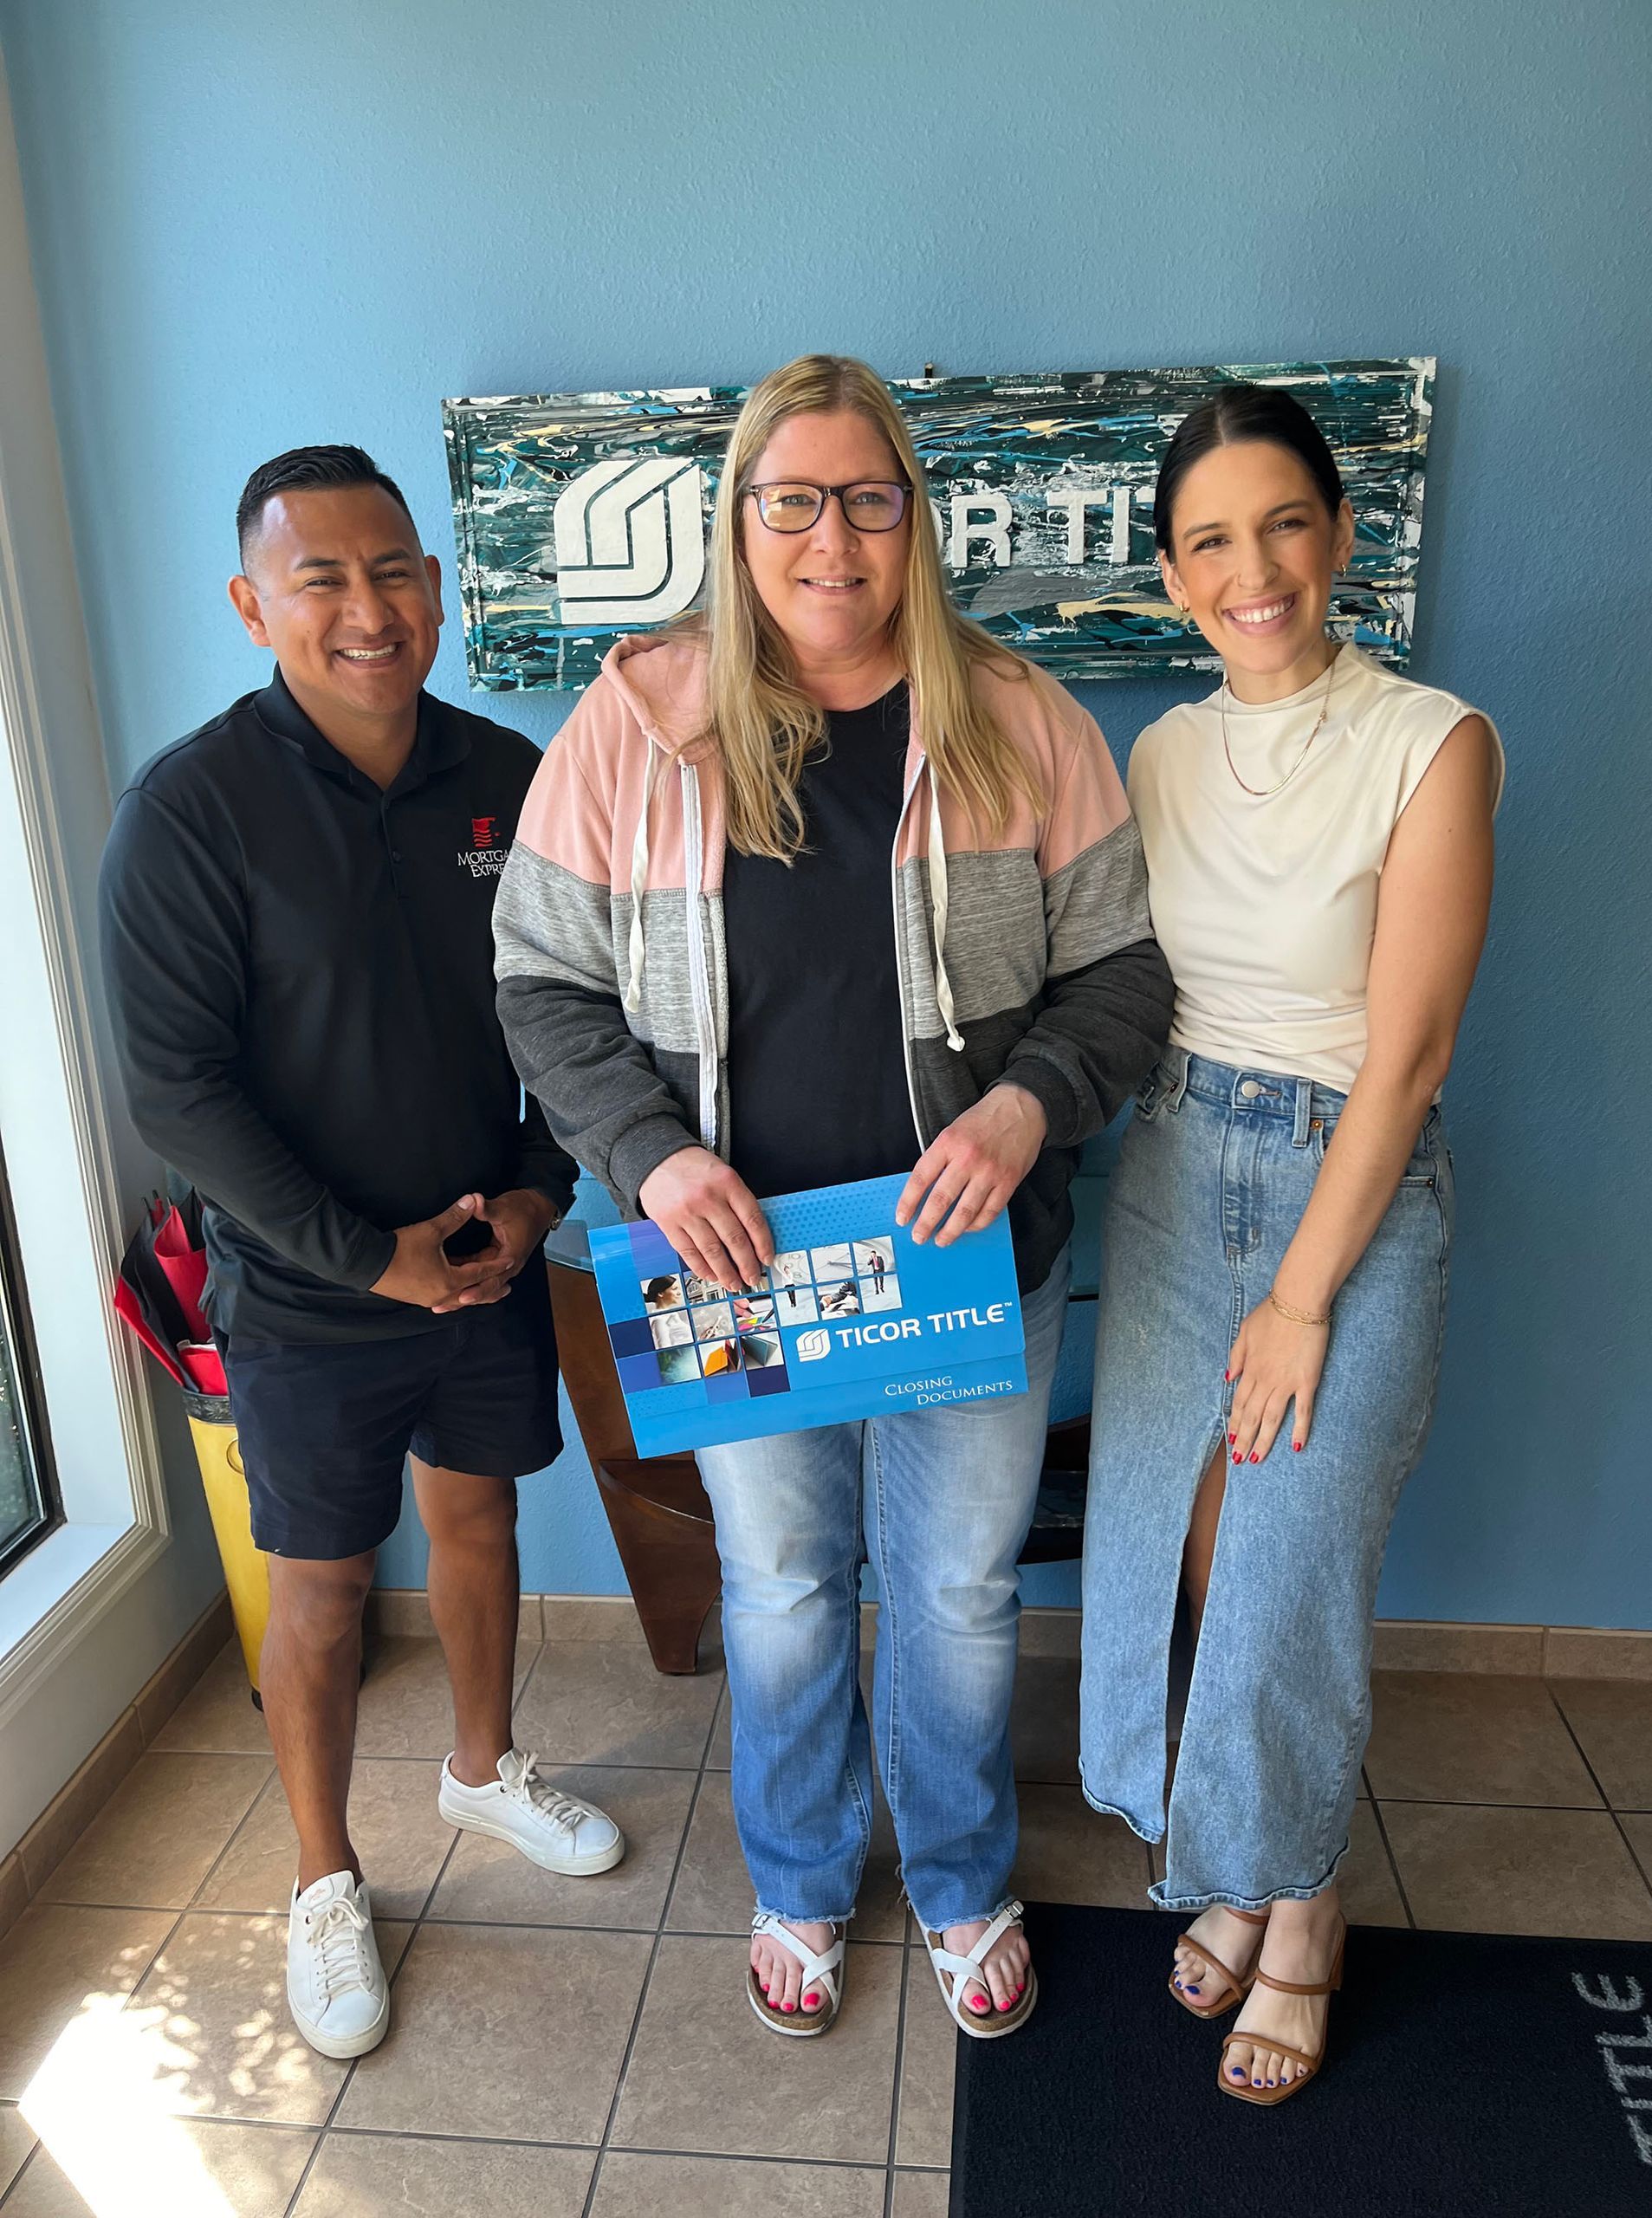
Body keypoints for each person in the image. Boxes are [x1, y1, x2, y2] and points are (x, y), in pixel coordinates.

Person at [496, 354, 1174, 2039]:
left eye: (866, 497)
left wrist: (1026, 1108)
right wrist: (654, 1153)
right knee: (786, 1581)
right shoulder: (634, 723)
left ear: (913, 517)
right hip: (735, 1272)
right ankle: (801, 1876)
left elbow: (1123, 973)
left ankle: (957, 1875)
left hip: (960, 1259)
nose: (831, 537)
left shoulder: (1021, 715)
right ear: (737, 524)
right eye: (789, 499)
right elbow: (541, 982)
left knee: (952, 1585)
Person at [98, 445, 625, 2062]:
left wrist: (536, 1197)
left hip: (482, 1253)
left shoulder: (512, 776)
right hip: (309, 1291)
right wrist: (360, 1255)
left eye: (392, 570)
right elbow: (177, 1087)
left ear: (439, 588)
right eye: (319, 579)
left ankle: (482, 1769)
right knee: (321, 1589)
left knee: (478, 1519)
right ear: (255, 605)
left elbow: (585, 1012)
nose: (366, 607)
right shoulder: (191, 810)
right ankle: (326, 1878)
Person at [1078, 386, 1502, 2104]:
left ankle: (1304, 1903)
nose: (1250, 570)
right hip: (1180, 1163)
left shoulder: (1435, 738)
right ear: (1174, 576)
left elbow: (1406, 1050)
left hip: (1355, 1182)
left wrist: (1306, 1295)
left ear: (1335, 534)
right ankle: (1248, 1855)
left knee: (1288, 1558)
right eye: (1208, 542)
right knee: (1195, 1551)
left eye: (1280, 526)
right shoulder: (1160, 751)